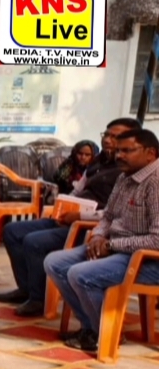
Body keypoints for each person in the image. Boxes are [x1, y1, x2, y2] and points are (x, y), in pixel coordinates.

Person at [0, 119, 139, 316]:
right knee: (12, 231)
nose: (107, 140)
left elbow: (114, 213)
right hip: (71, 217)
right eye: (106, 135)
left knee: (34, 241)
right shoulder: (98, 161)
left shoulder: (126, 170)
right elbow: (78, 189)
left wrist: (80, 215)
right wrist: (63, 206)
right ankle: (26, 288)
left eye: (115, 137)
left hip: (89, 226)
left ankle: (38, 299)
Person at [44, 129, 159, 352]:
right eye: (118, 151)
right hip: (118, 250)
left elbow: (157, 239)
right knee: (55, 263)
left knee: (80, 274)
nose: (119, 156)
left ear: (150, 153)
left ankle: (105, 334)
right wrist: (98, 236)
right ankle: (92, 327)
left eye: (127, 151)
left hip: (147, 260)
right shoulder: (125, 177)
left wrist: (110, 245)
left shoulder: (155, 183)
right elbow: (107, 216)